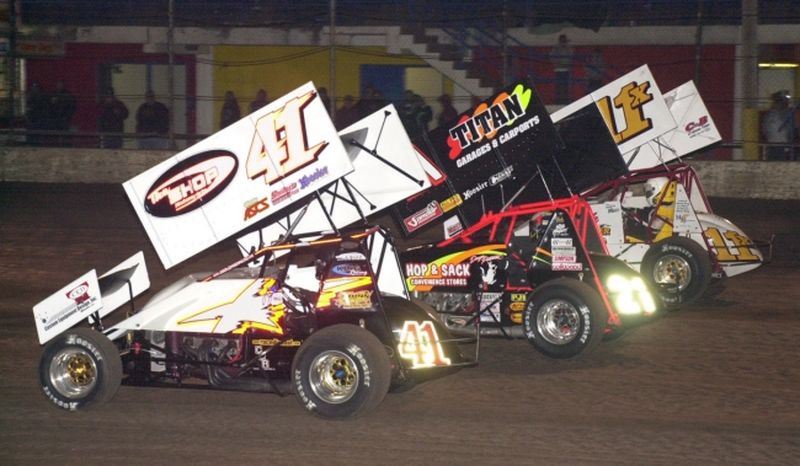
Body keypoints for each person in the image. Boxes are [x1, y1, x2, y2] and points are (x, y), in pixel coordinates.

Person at [761, 90, 795, 161]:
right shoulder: (771, 114)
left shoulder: (771, 114)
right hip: (775, 144)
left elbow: (765, 130)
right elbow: (765, 129)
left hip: (779, 144)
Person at [48, 80, 77, 146]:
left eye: (60, 84)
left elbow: (72, 105)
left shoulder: (67, 94)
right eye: (58, 84)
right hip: (55, 116)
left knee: (64, 132)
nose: (59, 86)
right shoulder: (53, 93)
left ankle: (65, 145)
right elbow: (49, 105)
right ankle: (56, 145)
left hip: (64, 116)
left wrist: (68, 115)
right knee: (56, 132)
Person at [549, 33, 574, 105]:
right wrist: (557, 63)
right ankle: (559, 100)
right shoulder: (556, 48)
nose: (563, 41)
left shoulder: (568, 48)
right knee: (559, 86)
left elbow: (571, 55)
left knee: (566, 86)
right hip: (558, 69)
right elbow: (551, 56)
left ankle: (565, 100)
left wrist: (567, 63)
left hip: (566, 69)